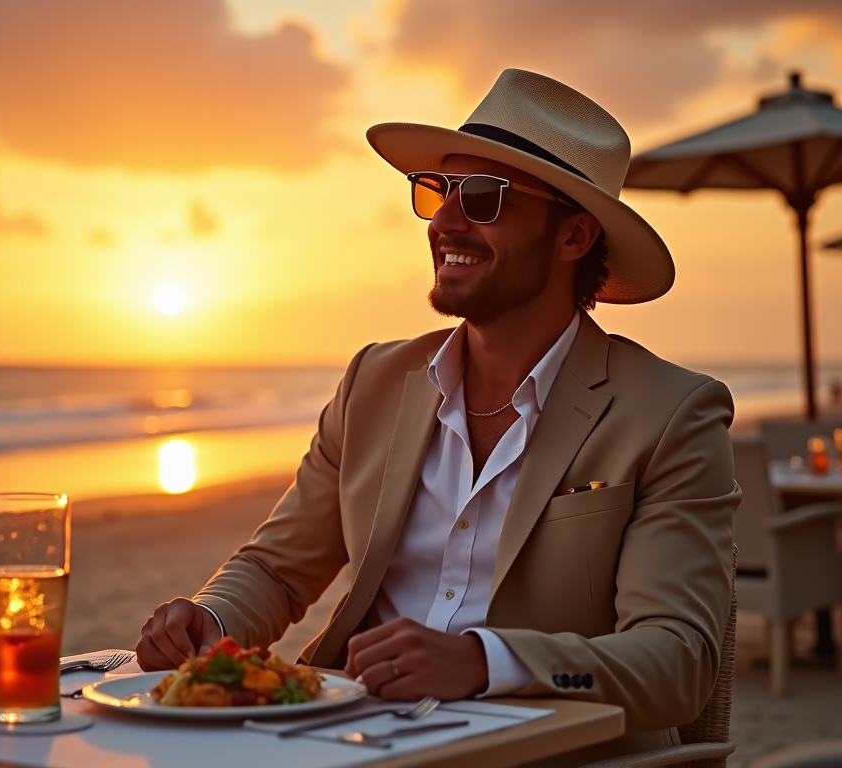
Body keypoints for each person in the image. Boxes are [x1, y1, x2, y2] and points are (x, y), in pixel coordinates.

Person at [137, 69, 739, 764]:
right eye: (438, 192)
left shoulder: (670, 413)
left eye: (484, 199)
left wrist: (484, 662)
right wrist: (208, 619)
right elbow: (277, 568)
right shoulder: (375, 381)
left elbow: (678, 661)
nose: (446, 221)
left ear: (574, 236)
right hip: (350, 744)